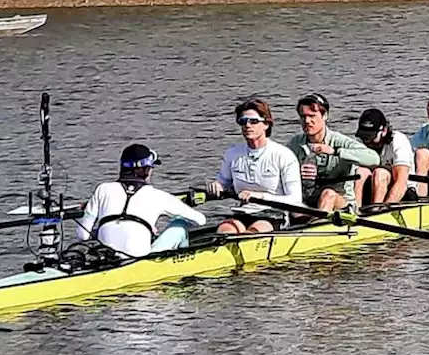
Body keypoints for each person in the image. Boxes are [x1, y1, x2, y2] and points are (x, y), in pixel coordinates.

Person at [75, 144, 207, 257]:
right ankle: (181, 265)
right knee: (180, 225)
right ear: (146, 170)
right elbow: (201, 220)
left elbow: (83, 236)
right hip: (139, 260)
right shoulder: (157, 195)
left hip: (107, 258)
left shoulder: (102, 189)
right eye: (151, 168)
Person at [208, 99, 302, 234]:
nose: (247, 125)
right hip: (243, 212)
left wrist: (261, 196)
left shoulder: (283, 155)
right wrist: (217, 186)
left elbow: (295, 200)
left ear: (266, 124)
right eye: (243, 121)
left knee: (251, 234)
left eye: (253, 121)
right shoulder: (232, 153)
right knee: (224, 231)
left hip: (273, 214)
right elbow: (223, 182)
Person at [286, 93, 380, 211]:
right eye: (303, 116)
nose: (307, 121)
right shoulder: (295, 144)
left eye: (312, 116)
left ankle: (318, 227)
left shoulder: (340, 141)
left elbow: (374, 158)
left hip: (341, 205)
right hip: (308, 202)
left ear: (324, 115)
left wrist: (335, 151)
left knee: (328, 194)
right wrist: (295, 172)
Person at [353, 108, 413, 209]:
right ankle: (355, 210)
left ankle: (375, 211)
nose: (367, 141)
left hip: (402, 194)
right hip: (374, 188)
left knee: (379, 173)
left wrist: (385, 211)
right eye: (364, 137)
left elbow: (401, 183)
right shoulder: (361, 144)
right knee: (360, 172)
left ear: (384, 131)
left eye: (370, 137)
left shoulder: (398, 141)